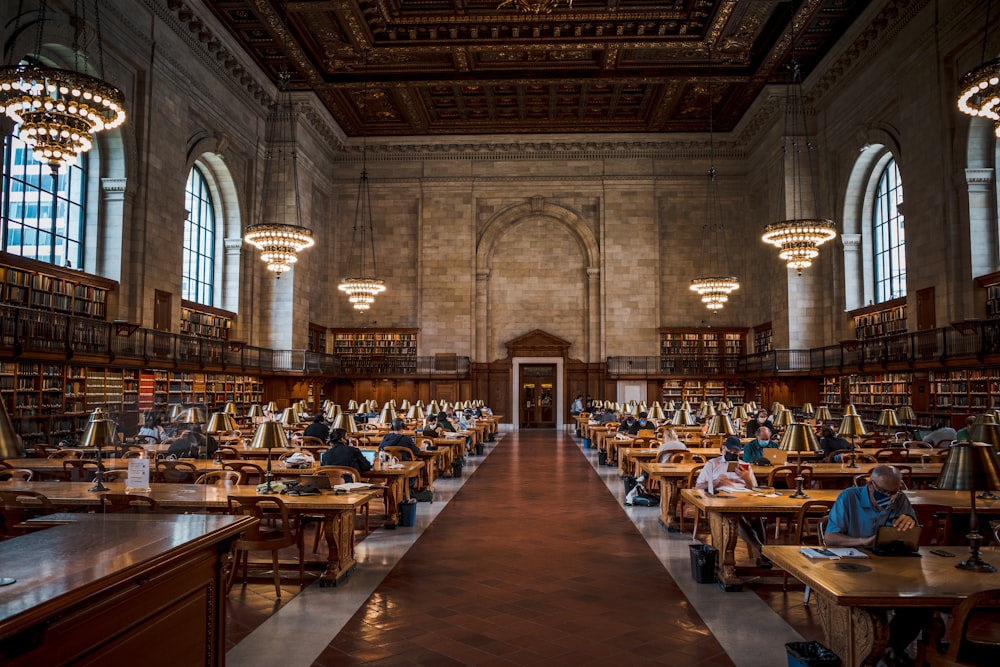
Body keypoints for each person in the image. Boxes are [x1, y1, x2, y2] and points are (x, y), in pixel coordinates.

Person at [824, 465, 926, 665]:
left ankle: (891, 646)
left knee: (921, 603)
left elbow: (911, 534)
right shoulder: (849, 498)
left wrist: (909, 524)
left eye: (893, 492)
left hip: (891, 565)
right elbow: (830, 538)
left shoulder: (900, 500)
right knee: (869, 605)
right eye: (883, 492)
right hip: (854, 566)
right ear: (870, 485)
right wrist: (863, 541)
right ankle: (875, 649)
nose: (889, 496)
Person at [695, 436, 770, 567]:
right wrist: (716, 482)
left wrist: (746, 479)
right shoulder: (712, 464)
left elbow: (754, 488)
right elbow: (698, 486)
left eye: (736, 453)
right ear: (724, 449)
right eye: (731, 451)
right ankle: (761, 549)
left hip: (743, 498)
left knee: (757, 516)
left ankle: (763, 553)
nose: (733, 455)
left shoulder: (744, 466)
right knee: (736, 518)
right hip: (722, 499)